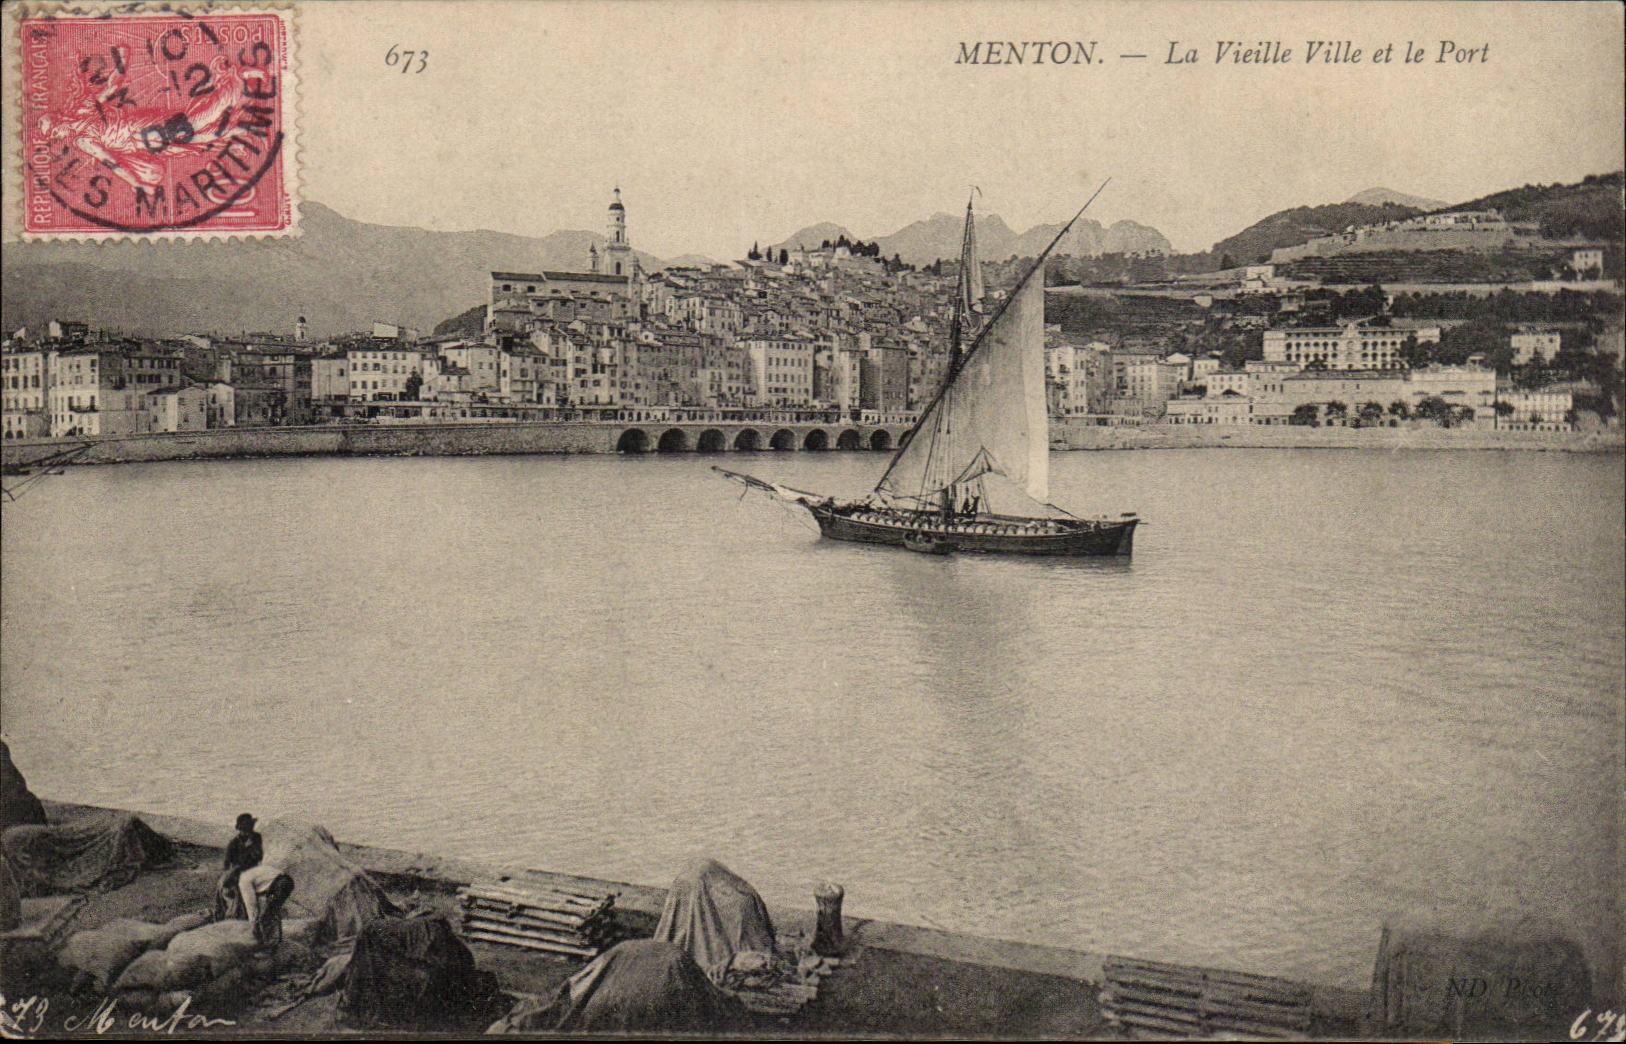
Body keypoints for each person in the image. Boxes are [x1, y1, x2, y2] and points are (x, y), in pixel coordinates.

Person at [216, 813, 263, 920]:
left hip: (254, 871)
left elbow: (260, 855)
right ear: (240, 829)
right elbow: (227, 863)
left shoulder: (257, 838)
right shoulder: (234, 843)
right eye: (245, 828)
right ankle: (234, 915)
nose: (248, 830)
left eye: (250, 827)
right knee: (231, 889)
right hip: (238, 872)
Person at [238, 861, 295, 943]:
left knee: (266, 918)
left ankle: (266, 943)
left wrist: (253, 922)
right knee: (272, 913)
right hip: (288, 882)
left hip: (279, 885)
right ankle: (276, 940)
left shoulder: (243, 879)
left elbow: (251, 903)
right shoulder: (257, 871)